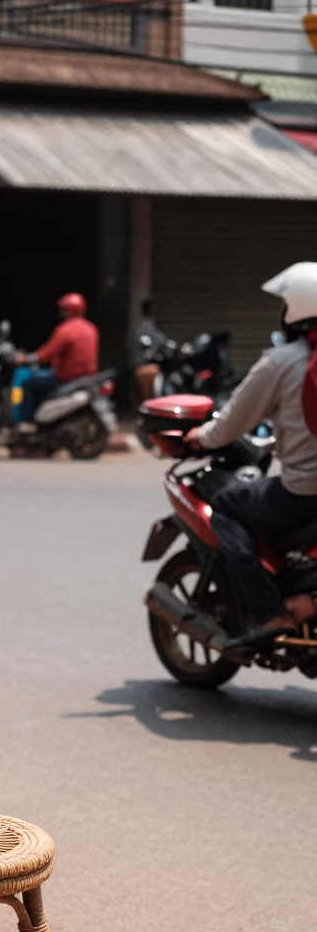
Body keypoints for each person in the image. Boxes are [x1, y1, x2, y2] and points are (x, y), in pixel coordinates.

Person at [186, 262, 317, 648]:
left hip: (303, 492)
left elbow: (231, 424)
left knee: (226, 506)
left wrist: (201, 437)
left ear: (294, 309)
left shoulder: (282, 361)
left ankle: (269, 609)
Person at [19, 293, 99, 422]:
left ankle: (26, 423)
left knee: (29, 384)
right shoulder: (92, 329)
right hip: (87, 379)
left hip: (66, 379)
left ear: (69, 310)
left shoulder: (65, 330)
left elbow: (46, 354)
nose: (61, 312)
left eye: (63, 309)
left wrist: (26, 359)